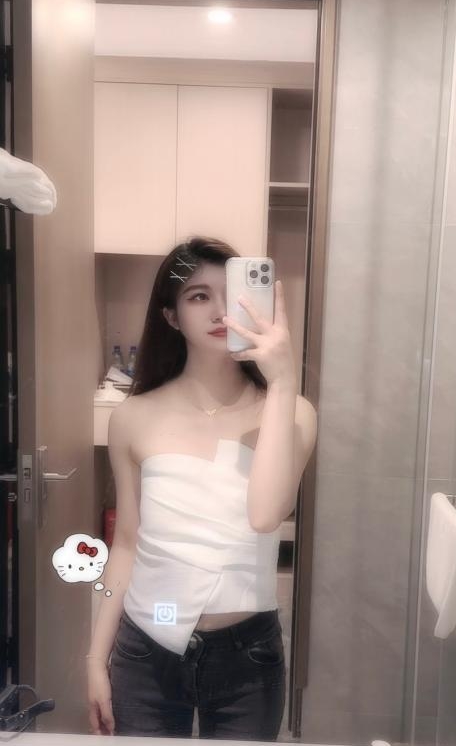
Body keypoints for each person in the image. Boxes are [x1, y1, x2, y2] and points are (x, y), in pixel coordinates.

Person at [86, 236, 318, 740]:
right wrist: (95, 657)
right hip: (145, 649)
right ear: (171, 316)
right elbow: (125, 544)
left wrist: (283, 383)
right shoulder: (132, 417)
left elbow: (265, 515)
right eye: (198, 296)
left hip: (247, 657)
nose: (219, 310)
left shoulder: (293, 413)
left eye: (230, 294)